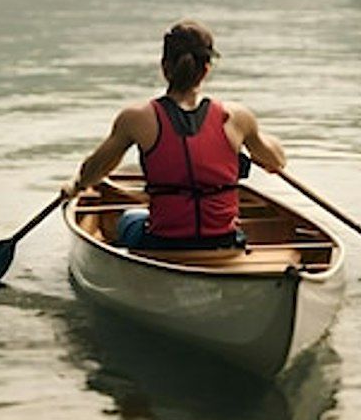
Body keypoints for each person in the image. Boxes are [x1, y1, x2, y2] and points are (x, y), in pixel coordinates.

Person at [63, 20, 287, 249]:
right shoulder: (238, 117)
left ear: (164, 67)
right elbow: (277, 162)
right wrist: (251, 135)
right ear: (207, 69)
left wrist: (77, 184)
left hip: (163, 242)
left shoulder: (136, 118)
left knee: (130, 219)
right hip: (223, 242)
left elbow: (93, 172)